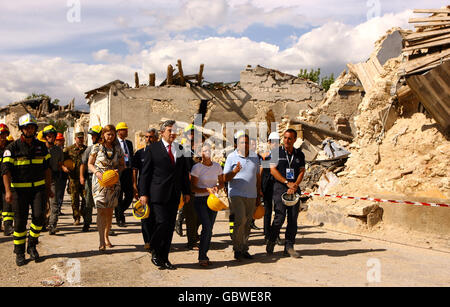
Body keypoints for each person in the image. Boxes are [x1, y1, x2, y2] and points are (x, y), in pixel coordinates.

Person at [139, 120, 191, 270]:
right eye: (169, 130)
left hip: (174, 194)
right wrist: (143, 193)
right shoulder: (152, 148)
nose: (172, 133)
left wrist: (186, 191)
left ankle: (164, 257)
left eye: (174, 130)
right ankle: (154, 248)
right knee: (161, 222)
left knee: (169, 227)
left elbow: (183, 173)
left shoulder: (180, 148)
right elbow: (145, 173)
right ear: (162, 132)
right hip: (157, 193)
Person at [2, 114, 53, 266]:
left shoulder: (42, 146)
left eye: (32, 127)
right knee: (19, 223)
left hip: (38, 190)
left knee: (39, 217)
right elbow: (5, 171)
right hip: (19, 192)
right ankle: (19, 252)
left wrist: (48, 188)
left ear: (35, 129)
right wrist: (8, 192)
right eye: (27, 127)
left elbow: (47, 169)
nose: (30, 130)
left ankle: (31, 244)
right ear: (22, 130)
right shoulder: (12, 148)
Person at [266, 129, 306, 258]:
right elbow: (272, 170)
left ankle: (289, 246)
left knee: (293, 219)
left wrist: (295, 185)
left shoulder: (299, 154)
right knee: (279, 217)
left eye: (290, 138)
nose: (287, 141)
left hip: (294, 188)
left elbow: (301, 171)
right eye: (285, 138)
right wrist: (286, 182)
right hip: (280, 187)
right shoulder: (276, 153)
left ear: (294, 140)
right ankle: (272, 239)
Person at [223, 132, 261, 261]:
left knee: (248, 223)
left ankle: (244, 248)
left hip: (251, 194)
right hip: (236, 194)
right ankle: (237, 249)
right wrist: (234, 172)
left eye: (246, 142)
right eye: (242, 142)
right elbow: (225, 178)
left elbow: (257, 177)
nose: (245, 145)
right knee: (240, 220)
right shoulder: (231, 157)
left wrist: (258, 195)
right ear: (236, 144)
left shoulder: (255, 157)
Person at [88, 125, 125, 251]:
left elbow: (122, 165)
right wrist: (97, 173)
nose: (110, 136)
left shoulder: (118, 148)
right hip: (99, 183)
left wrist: (116, 172)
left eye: (112, 134)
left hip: (113, 183)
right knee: (101, 210)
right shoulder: (97, 147)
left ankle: (107, 235)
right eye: (108, 134)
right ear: (103, 135)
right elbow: (90, 164)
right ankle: (101, 240)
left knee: (109, 211)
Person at [190, 142, 224, 267]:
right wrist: (206, 190)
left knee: (209, 229)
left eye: (209, 150)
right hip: (200, 201)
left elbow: (222, 183)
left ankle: (203, 254)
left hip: (213, 201)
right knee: (207, 227)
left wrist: (216, 187)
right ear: (200, 153)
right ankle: (202, 256)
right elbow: (193, 188)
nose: (207, 153)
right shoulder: (197, 168)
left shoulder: (217, 166)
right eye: (204, 151)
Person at [176, 124, 201, 249]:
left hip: (200, 185)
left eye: (194, 133)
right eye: (190, 133)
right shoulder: (182, 149)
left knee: (201, 214)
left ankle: (194, 234)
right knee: (191, 214)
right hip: (188, 186)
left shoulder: (198, 149)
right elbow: (183, 169)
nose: (192, 135)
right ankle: (191, 241)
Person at [132, 128, 158, 251]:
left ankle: (155, 240)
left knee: (156, 216)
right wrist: (134, 185)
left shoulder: (160, 153)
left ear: (156, 138)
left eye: (151, 137)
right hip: (144, 189)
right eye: (146, 137)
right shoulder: (139, 153)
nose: (148, 139)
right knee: (145, 215)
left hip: (157, 188)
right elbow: (135, 170)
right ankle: (147, 241)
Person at [260, 132, 283, 245]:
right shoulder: (265, 156)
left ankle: (275, 234)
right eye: (272, 142)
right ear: (269, 142)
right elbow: (262, 172)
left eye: (276, 142)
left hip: (278, 186)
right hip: (267, 185)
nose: (274, 144)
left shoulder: (282, 156)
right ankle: (267, 235)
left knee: (278, 211)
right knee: (268, 211)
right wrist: (260, 188)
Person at [79, 125, 102, 233]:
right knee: (88, 201)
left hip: (102, 178)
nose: (92, 138)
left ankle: (104, 225)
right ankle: (87, 223)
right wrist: (81, 177)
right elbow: (83, 164)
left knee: (102, 202)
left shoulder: (105, 148)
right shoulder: (89, 149)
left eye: (93, 136)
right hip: (90, 178)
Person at [43, 125, 64, 235]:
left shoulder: (58, 150)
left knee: (54, 202)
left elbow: (60, 164)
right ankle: (42, 223)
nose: (51, 138)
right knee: (42, 202)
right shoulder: (40, 149)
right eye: (49, 136)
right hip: (40, 179)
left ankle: (52, 224)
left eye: (53, 136)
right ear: (45, 137)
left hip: (53, 178)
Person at [63, 132, 87, 226]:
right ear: (75, 138)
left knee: (86, 198)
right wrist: (63, 167)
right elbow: (61, 160)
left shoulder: (86, 149)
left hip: (84, 178)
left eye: (82, 138)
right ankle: (76, 218)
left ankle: (84, 214)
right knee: (74, 199)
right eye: (79, 138)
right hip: (73, 178)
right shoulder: (69, 149)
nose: (80, 139)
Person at [115, 122, 134, 227]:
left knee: (129, 195)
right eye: (124, 129)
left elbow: (131, 156)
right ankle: (119, 218)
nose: (126, 131)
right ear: (119, 131)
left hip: (128, 172)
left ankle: (119, 210)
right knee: (118, 195)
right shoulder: (114, 143)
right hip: (118, 172)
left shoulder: (129, 143)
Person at [0, 124, 14, 236]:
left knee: (8, 203)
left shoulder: (10, 147)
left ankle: (8, 226)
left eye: (5, 135)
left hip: (8, 180)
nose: (3, 138)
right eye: (1, 135)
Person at [55, 133, 67, 216]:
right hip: (56, 174)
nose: (61, 141)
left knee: (61, 192)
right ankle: (55, 209)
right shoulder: (54, 150)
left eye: (62, 140)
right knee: (55, 193)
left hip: (63, 175)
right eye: (59, 140)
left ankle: (58, 208)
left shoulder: (65, 150)